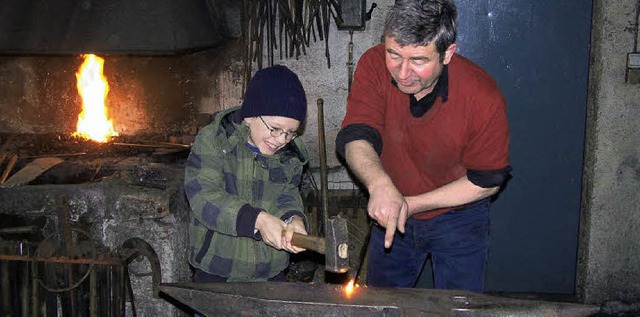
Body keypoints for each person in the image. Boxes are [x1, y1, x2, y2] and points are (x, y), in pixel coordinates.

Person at [335, 0, 511, 292]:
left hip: (459, 214)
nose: (402, 73)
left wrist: (411, 204)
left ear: (448, 53)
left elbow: (488, 180)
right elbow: (356, 135)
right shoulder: (373, 64)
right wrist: (380, 186)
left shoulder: (482, 96)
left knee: (457, 309)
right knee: (383, 305)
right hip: (391, 203)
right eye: (394, 54)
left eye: (418, 60)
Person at [184, 65, 310, 283]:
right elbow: (204, 196)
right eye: (275, 128)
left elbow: (286, 194)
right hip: (217, 269)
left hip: (271, 270)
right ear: (251, 115)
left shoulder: (289, 154)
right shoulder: (214, 140)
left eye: (290, 133)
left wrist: (293, 219)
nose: (281, 139)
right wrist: (258, 220)